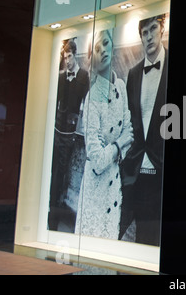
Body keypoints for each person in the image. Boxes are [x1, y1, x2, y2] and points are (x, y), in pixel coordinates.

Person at [75, 29, 134, 240]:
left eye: (106, 44)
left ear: (113, 46)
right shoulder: (92, 100)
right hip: (95, 188)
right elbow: (97, 160)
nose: (103, 51)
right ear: (93, 58)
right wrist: (118, 144)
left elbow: (130, 134)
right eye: (97, 49)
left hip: (114, 184)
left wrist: (113, 147)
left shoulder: (121, 86)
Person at [119, 14, 168, 246]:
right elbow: (130, 120)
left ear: (162, 28)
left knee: (159, 238)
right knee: (135, 238)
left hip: (162, 170)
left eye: (153, 28)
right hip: (137, 169)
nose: (149, 36)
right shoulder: (133, 73)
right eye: (144, 32)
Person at [49, 40, 89, 231]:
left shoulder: (84, 76)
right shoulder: (61, 76)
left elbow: (84, 107)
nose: (67, 61)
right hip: (57, 129)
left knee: (62, 173)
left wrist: (78, 130)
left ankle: (55, 211)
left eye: (69, 57)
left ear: (75, 54)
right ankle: (52, 208)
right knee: (53, 170)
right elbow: (55, 101)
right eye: (65, 58)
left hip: (70, 133)